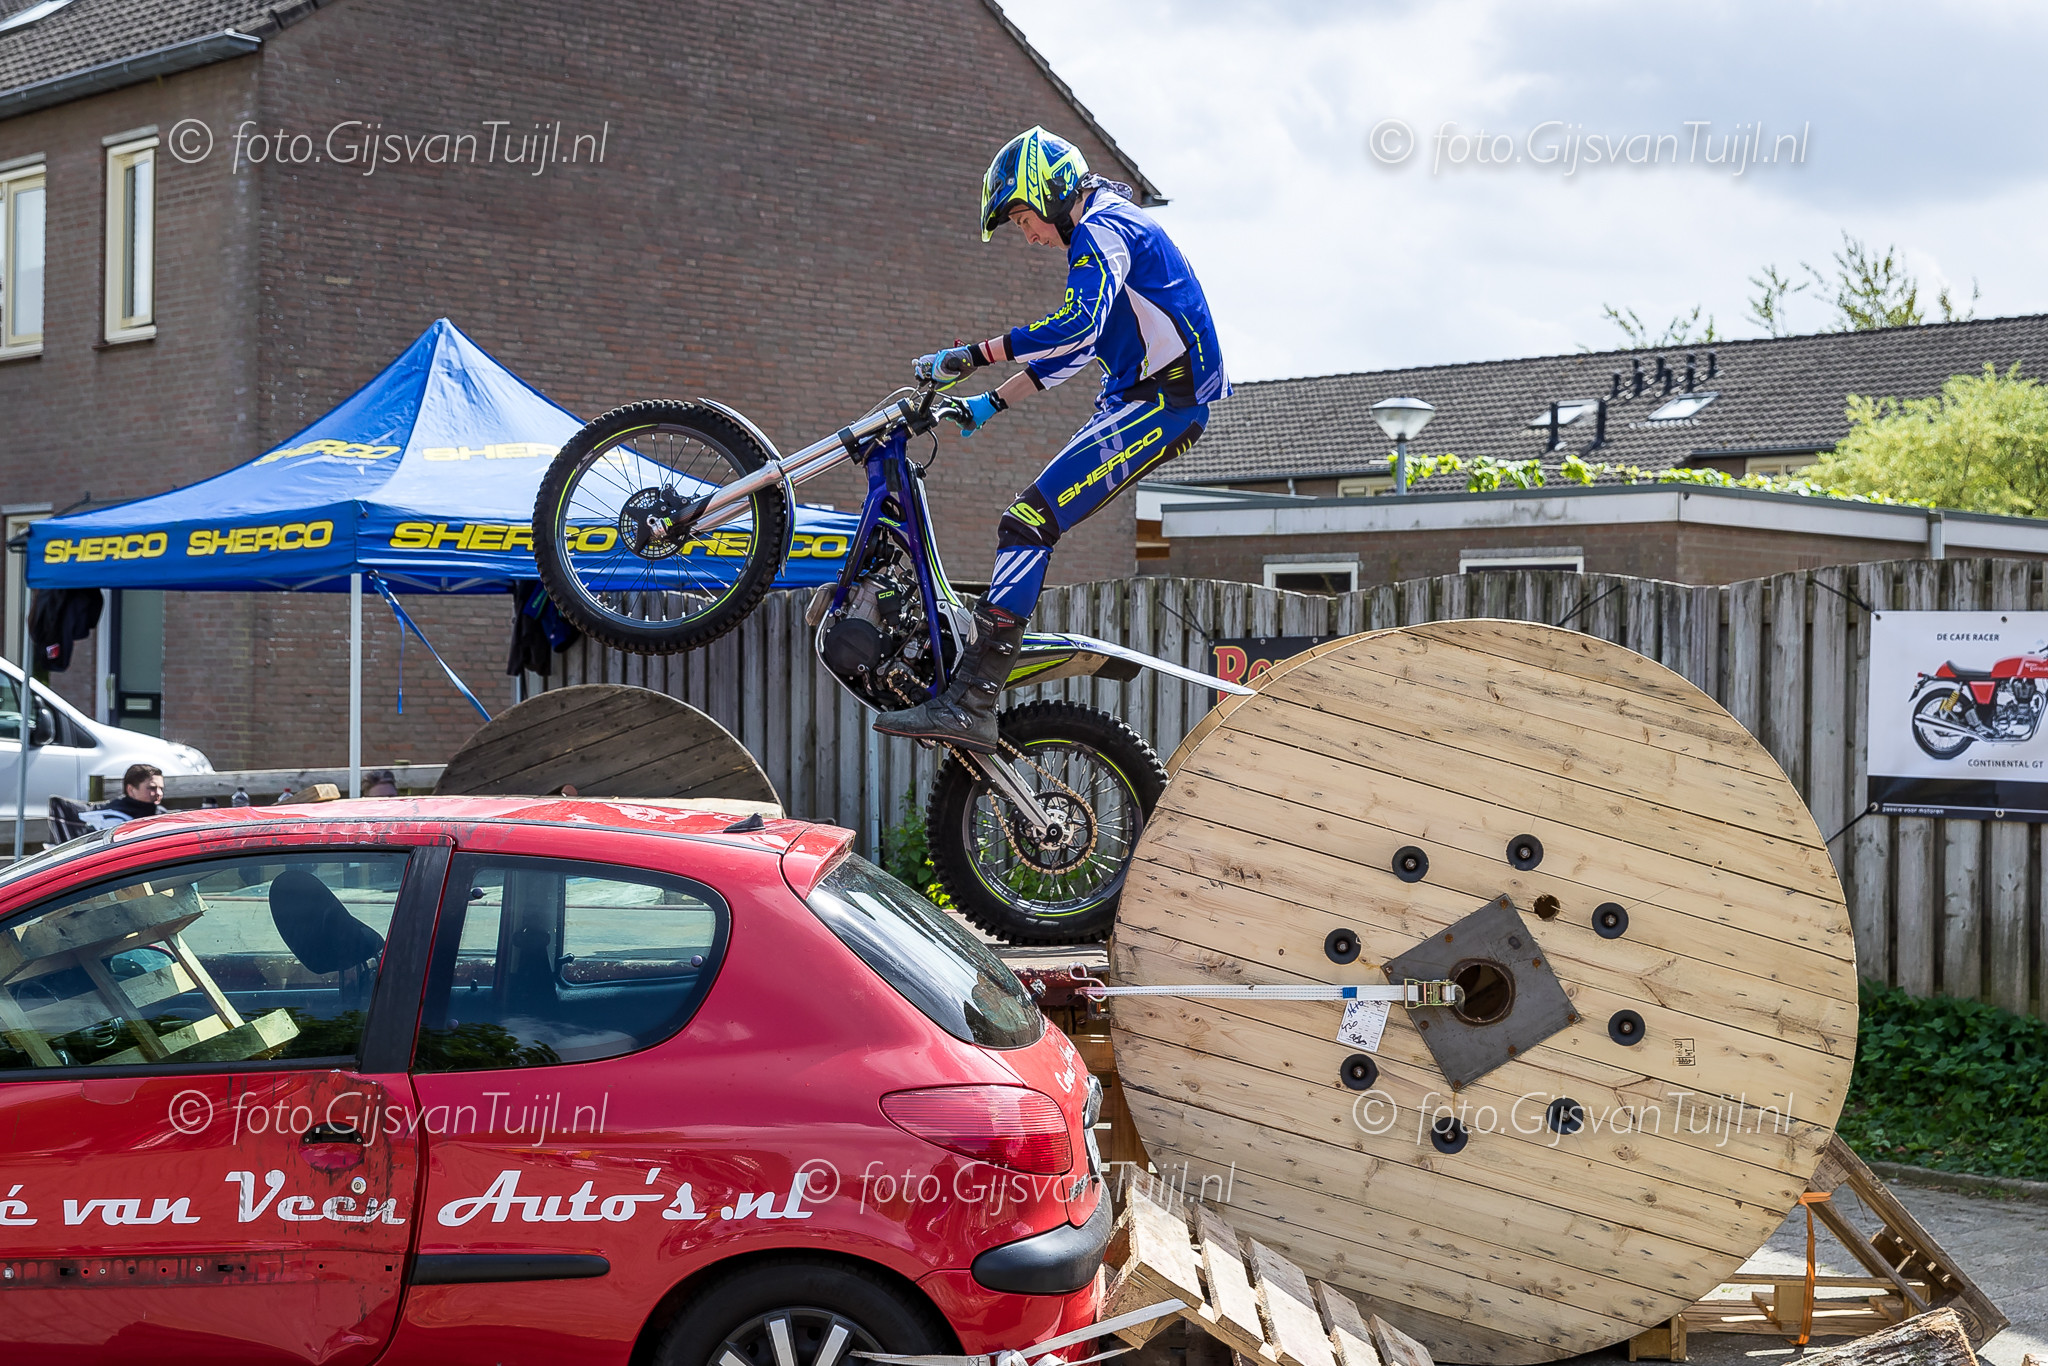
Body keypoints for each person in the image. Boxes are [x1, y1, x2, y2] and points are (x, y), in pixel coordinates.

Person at [873, 126, 1229, 752]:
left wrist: (974, 354)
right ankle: (972, 691)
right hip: (1139, 399)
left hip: (1163, 405)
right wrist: (989, 403)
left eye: (1021, 218)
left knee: (1027, 523)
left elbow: (1075, 325)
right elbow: (1077, 349)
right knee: (1025, 523)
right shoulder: (1108, 226)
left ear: (1048, 189)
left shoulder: (1104, 228)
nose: (1028, 235)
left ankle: (973, 700)